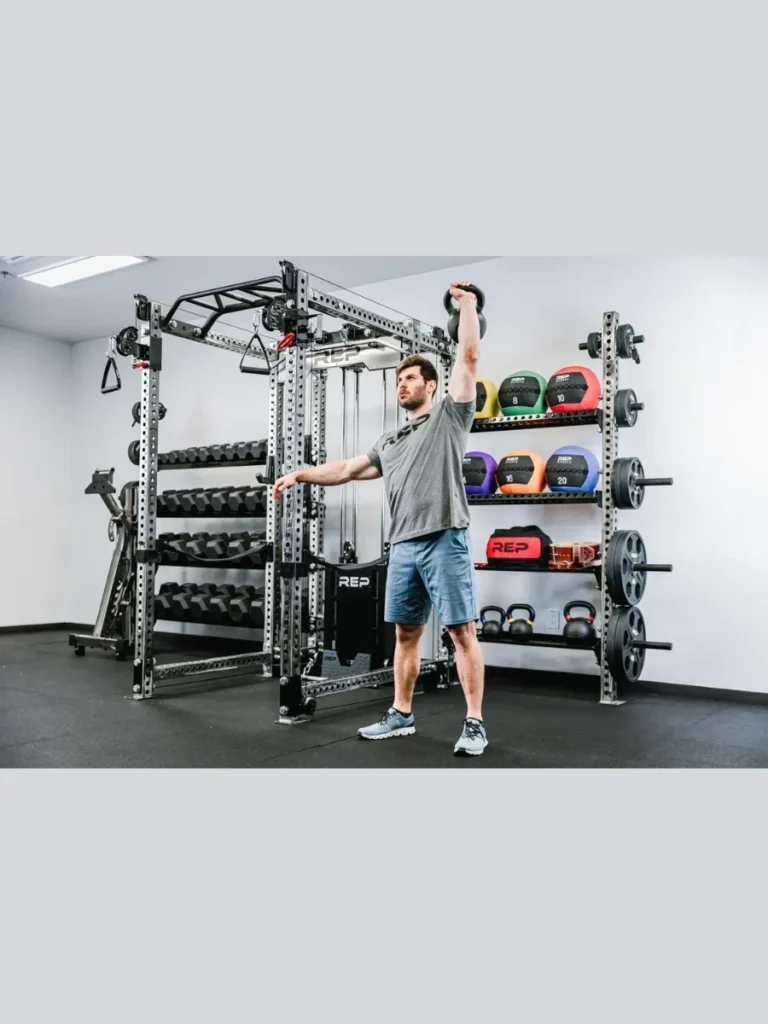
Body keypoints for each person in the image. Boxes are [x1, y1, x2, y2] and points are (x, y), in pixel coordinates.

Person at [273, 282, 487, 756]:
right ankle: (401, 713)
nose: (403, 384)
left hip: (444, 537)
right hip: (404, 545)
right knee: (405, 634)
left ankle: (474, 723)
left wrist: (467, 305)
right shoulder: (389, 442)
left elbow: (468, 356)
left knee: (461, 633)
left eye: (411, 378)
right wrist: (301, 474)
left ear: (430, 386)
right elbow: (348, 470)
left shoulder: (450, 417)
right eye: (399, 380)